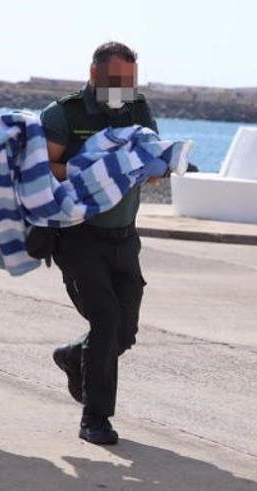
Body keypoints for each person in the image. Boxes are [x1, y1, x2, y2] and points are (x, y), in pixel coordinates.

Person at [41, 41, 162, 444]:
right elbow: (42, 167)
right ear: (94, 75)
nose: (122, 89)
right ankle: (95, 418)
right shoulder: (64, 114)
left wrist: (154, 167)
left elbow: (152, 157)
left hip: (125, 239)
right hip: (79, 237)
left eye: (129, 82)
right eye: (114, 80)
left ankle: (75, 356)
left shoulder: (138, 109)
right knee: (106, 320)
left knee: (123, 332)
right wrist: (93, 168)